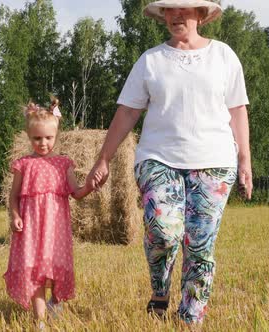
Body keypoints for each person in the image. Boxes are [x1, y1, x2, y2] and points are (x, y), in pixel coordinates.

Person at [86, 0, 253, 324]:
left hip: (215, 162)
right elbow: (128, 112)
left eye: (185, 8)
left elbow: (237, 110)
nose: (176, 15)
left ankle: (191, 317)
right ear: (162, 15)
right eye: (169, 9)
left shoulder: (223, 56)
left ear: (201, 15)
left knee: (199, 244)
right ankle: (160, 291)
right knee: (163, 231)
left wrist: (244, 160)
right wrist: (103, 158)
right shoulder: (151, 61)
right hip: (158, 159)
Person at [4, 99, 94, 327]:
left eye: (48, 138)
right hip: (31, 229)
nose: (43, 143)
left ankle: (55, 301)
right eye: (37, 138)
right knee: (34, 272)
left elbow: (76, 192)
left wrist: (90, 186)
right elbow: (13, 196)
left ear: (56, 136)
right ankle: (40, 322)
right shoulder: (23, 165)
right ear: (28, 136)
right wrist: (15, 216)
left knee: (54, 269)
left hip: (56, 230)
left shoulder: (64, 164)